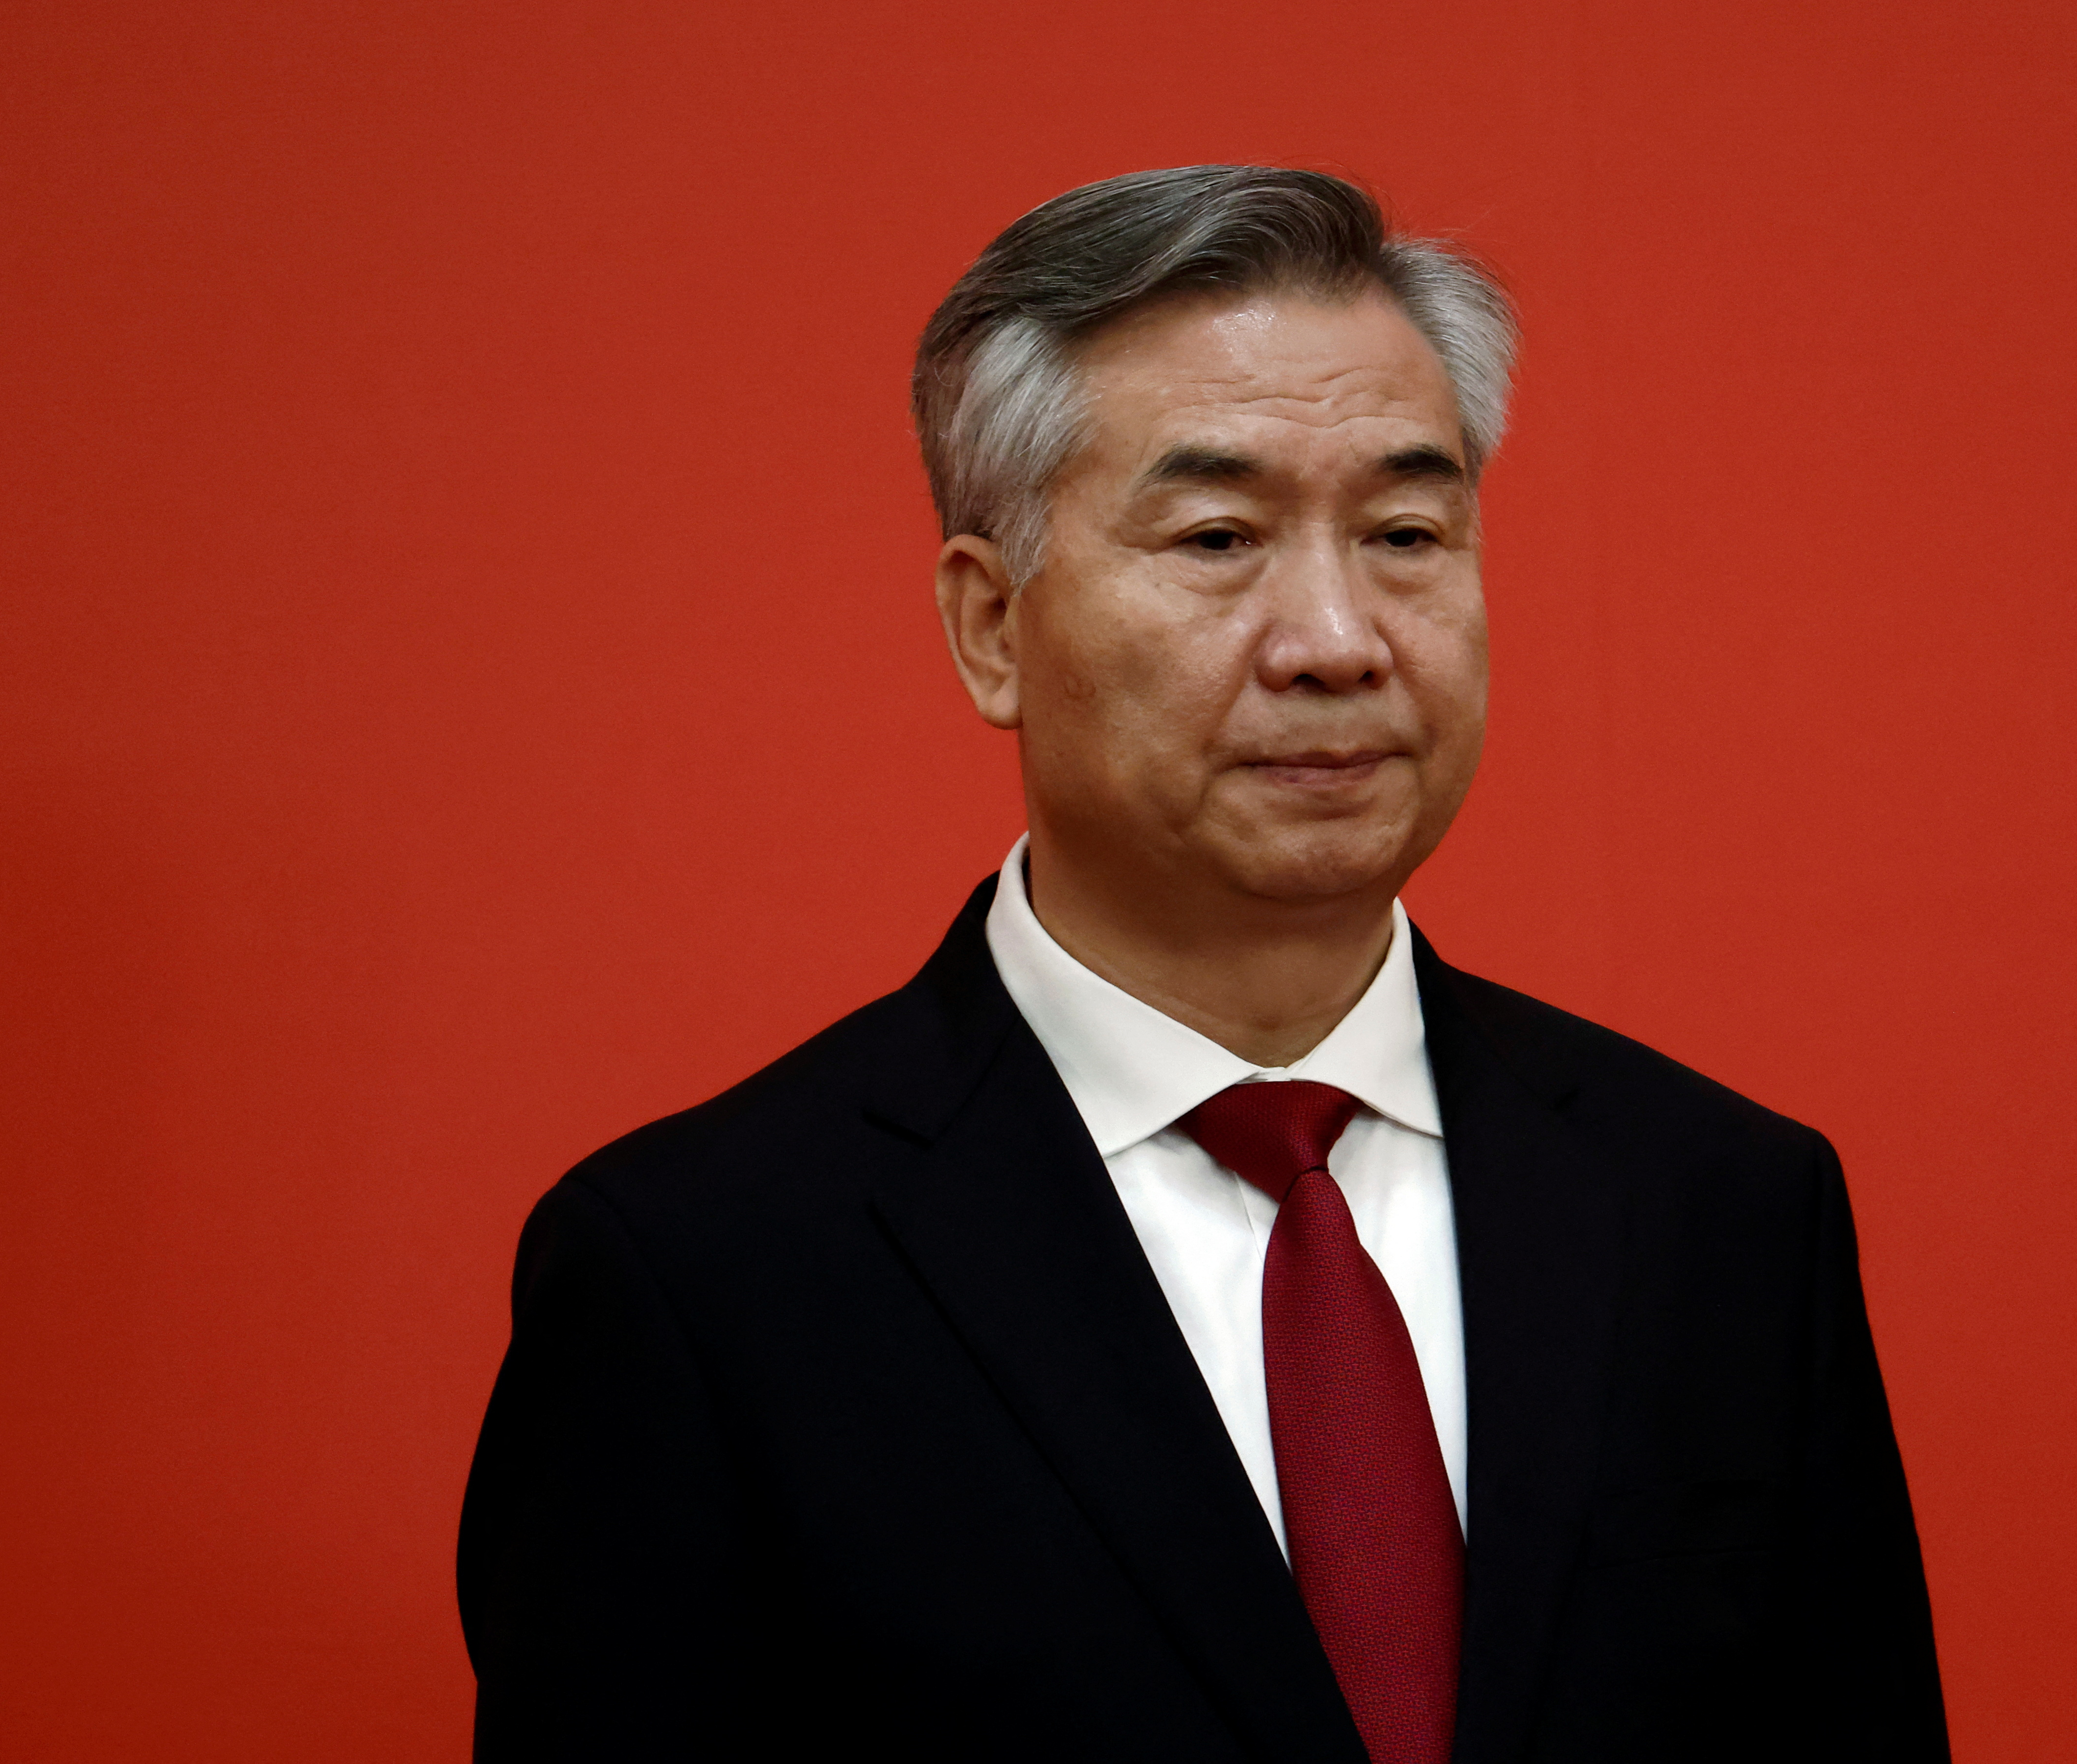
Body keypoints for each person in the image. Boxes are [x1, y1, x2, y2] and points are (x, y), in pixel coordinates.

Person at [456, 166, 1949, 1764]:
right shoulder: (702, 1273)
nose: (1334, 637)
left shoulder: (1719, 1206)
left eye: (1403, 532)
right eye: (1218, 535)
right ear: (991, 628)